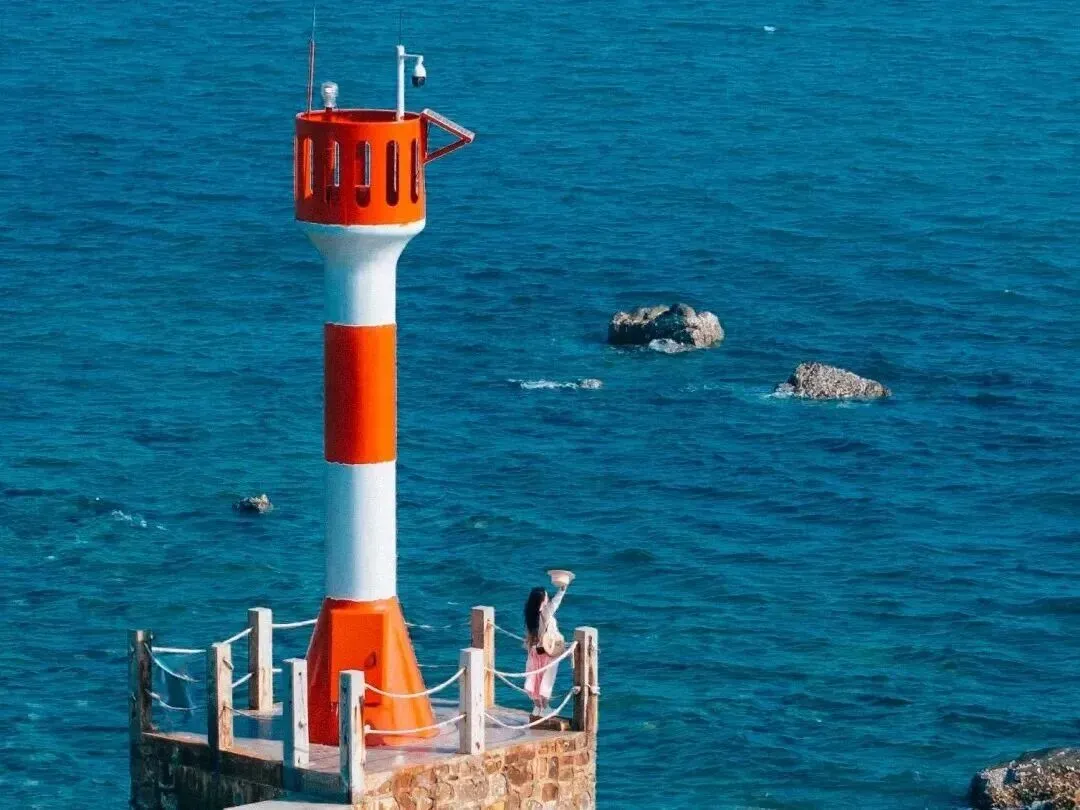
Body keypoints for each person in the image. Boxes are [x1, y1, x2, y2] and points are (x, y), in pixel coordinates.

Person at [523, 581, 568, 716]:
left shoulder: (530, 614)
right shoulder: (545, 613)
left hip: (534, 652)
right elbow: (555, 603)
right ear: (542, 601)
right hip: (547, 652)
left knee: (535, 680)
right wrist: (562, 589)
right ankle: (546, 708)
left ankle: (537, 708)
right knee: (547, 679)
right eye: (546, 597)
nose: (548, 598)